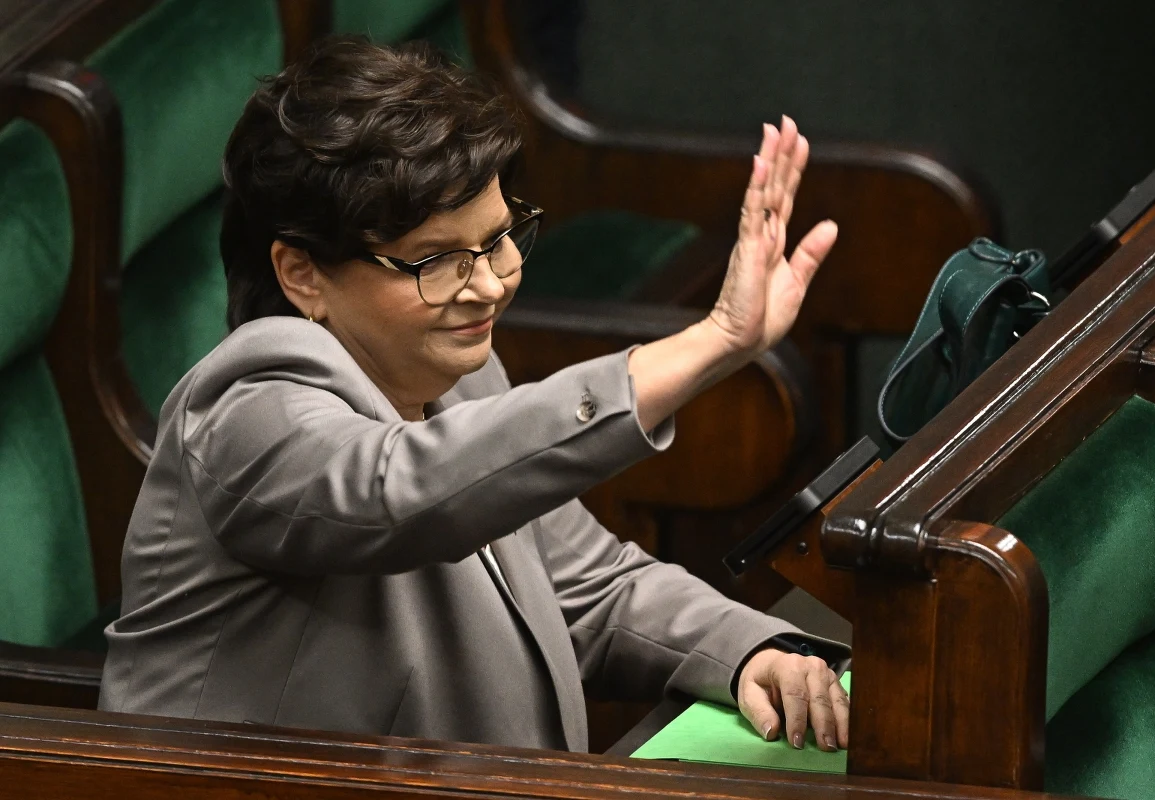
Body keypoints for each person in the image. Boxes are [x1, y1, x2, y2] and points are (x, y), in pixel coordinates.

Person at [98, 37, 850, 755]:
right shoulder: (246, 408)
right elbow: (404, 489)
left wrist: (750, 650)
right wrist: (714, 340)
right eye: (436, 261)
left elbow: (589, 587)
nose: (488, 285)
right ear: (302, 274)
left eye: (496, 241)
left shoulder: (456, 374)